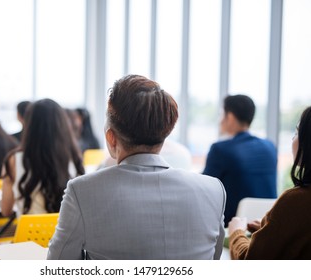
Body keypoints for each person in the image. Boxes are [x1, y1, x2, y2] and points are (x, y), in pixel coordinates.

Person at [47, 75, 226, 260]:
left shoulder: (82, 191)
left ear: (111, 137)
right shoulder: (214, 190)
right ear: (166, 131)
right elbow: (215, 258)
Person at [228, 106, 311, 259]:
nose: (293, 139)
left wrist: (236, 232)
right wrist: (276, 229)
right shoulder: (269, 146)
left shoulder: (297, 200)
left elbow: (251, 263)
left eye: (297, 132)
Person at [1, 99, 85, 217]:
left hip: (29, 234)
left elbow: (6, 211)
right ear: (62, 125)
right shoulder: (73, 157)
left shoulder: (13, 160)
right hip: (67, 234)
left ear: (29, 125)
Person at [203, 94, 277, 226]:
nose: (220, 120)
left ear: (230, 117)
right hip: (266, 225)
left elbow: (203, 189)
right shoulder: (270, 147)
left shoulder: (220, 149)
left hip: (232, 228)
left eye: (222, 115)